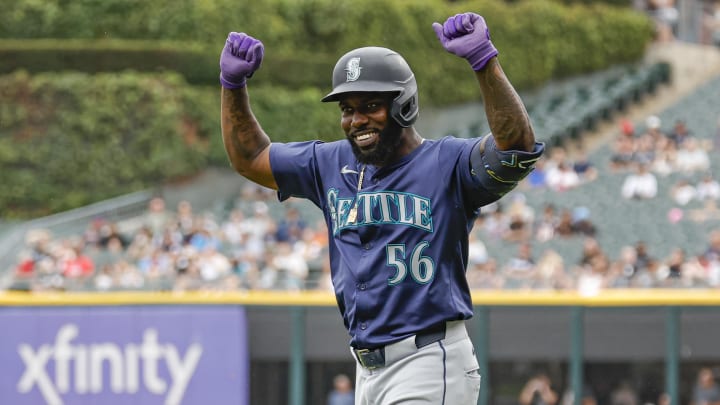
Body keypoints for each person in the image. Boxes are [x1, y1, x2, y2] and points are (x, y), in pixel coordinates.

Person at [219, 11, 543, 404]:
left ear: (404, 105)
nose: (356, 120)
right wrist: (232, 85)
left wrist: (483, 61)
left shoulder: (445, 163)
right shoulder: (329, 163)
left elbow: (516, 148)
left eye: (370, 105)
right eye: (346, 109)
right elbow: (251, 157)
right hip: (367, 370)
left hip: (427, 359)